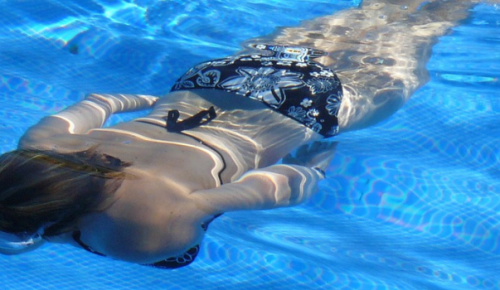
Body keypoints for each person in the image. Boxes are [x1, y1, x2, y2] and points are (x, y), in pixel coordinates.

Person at [0, 0, 493, 268]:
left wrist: (307, 171)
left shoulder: (141, 232)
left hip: (302, 110)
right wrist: (154, 103)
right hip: (216, 78)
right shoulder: (38, 145)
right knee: (371, 15)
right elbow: (100, 102)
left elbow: (258, 191)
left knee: (428, 31)